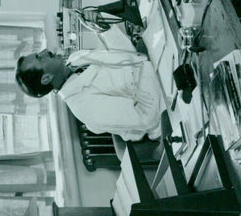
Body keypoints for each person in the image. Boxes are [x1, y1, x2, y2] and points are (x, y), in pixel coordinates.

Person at [15, 24, 164, 141]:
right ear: (46, 78)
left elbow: (127, 56)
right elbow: (147, 116)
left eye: (38, 53)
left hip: (159, 65)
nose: (45, 51)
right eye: (40, 58)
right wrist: (148, 68)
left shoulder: (75, 59)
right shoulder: (84, 108)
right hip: (166, 101)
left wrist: (104, 29)